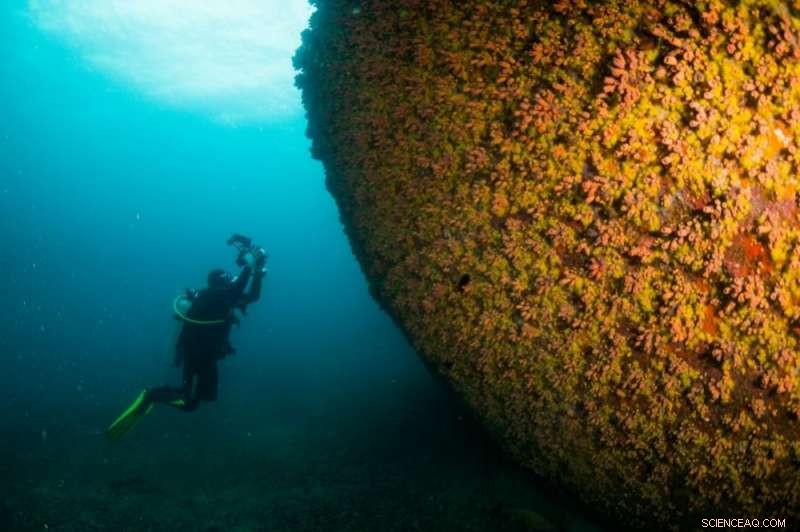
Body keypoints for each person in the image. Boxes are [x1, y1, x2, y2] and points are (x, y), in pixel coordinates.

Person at [106, 245, 267, 441]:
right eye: (226, 277)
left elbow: (252, 297)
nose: (230, 278)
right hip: (194, 351)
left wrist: (257, 273)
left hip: (208, 354)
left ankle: (161, 395)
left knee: (202, 399)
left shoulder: (225, 298)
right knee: (186, 399)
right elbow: (236, 290)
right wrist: (249, 266)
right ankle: (151, 395)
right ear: (218, 282)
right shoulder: (210, 294)